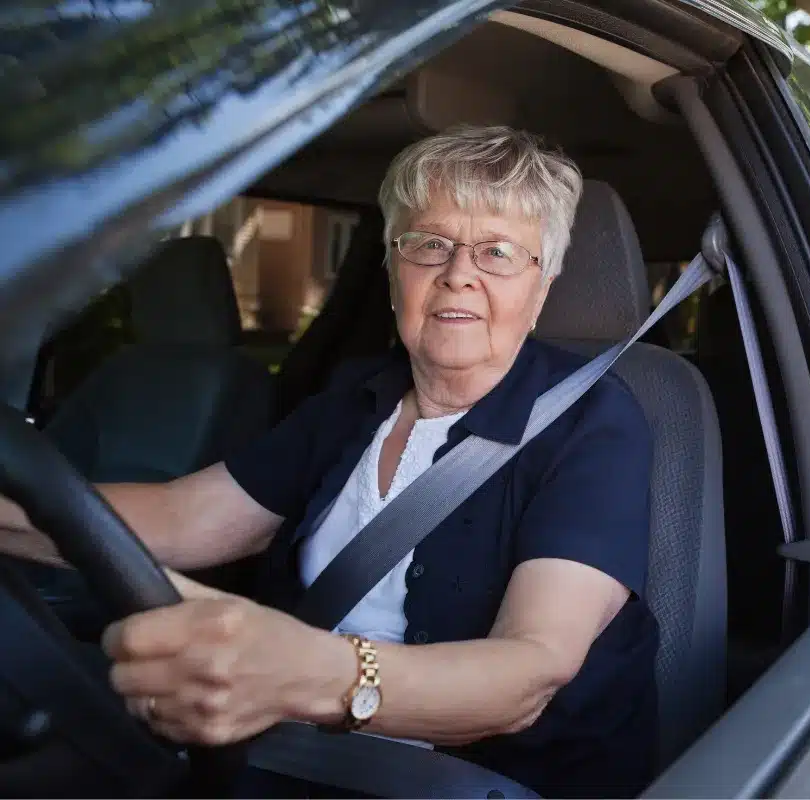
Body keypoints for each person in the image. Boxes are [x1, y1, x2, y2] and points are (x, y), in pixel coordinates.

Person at [0, 125, 659, 798]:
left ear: (541, 284)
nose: (458, 272)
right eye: (429, 244)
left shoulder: (594, 423)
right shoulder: (355, 397)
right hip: (288, 756)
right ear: (393, 266)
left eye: (497, 252)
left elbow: (528, 674)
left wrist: (310, 674)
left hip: (479, 784)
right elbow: (180, 517)